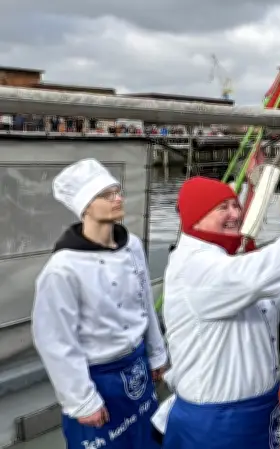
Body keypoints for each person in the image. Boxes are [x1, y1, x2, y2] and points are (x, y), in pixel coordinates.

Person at [150, 176, 280, 449]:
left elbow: (260, 318)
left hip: (256, 416)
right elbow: (255, 275)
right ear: (197, 216)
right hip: (218, 425)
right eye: (222, 208)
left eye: (236, 206)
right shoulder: (196, 267)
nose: (235, 214)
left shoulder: (222, 262)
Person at [32, 158, 167, 449]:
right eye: (106, 195)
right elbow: (55, 341)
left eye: (117, 191)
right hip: (99, 377)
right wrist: (83, 401)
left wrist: (156, 354)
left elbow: (145, 301)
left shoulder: (131, 246)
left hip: (137, 365)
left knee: (146, 441)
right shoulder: (63, 269)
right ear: (86, 207)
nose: (117, 198)